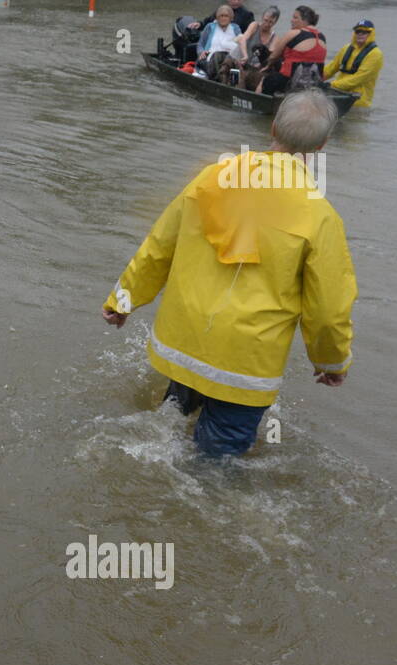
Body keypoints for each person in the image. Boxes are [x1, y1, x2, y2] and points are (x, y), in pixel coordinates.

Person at [100, 89, 357, 457]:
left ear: (272, 127)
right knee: (214, 467)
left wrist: (123, 299)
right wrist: (331, 361)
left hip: (185, 341)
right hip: (245, 363)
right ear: (322, 146)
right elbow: (330, 305)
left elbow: (160, 244)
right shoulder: (319, 215)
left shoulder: (212, 177)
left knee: (166, 435)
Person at [261, 5, 327, 95]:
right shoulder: (322, 37)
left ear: (304, 20)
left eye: (295, 17)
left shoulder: (293, 33)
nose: (291, 20)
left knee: (267, 80)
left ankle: (262, 103)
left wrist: (267, 65)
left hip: (291, 81)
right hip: (315, 83)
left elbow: (273, 56)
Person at [323, 19, 383, 108]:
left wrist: (331, 85)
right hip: (337, 95)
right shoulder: (346, 48)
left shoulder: (375, 54)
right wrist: (315, 78)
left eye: (364, 32)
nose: (360, 34)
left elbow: (358, 78)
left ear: (371, 34)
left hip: (358, 103)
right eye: (358, 31)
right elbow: (331, 68)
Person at [195, 5, 247, 81]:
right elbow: (200, 44)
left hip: (229, 61)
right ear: (217, 17)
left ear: (231, 18)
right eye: (221, 16)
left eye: (226, 16)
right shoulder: (210, 27)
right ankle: (219, 78)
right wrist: (201, 52)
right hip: (210, 60)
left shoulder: (235, 28)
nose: (223, 18)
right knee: (217, 56)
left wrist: (244, 56)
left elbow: (241, 41)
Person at [237, 6, 280, 91]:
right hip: (244, 62)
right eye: (266, 20)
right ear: (262, 17)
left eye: (271, 22)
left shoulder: (275, 38)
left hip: (257, 69)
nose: (267, 24)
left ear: (275, 23)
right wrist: (245, 55)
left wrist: (263, 66)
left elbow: (269, 58)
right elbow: (243, 39)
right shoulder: (254, 26)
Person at [190, 0, 255, 38]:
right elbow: (209, 21)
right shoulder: (221, 10)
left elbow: (251, 33)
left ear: (242, 0)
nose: (236, 1)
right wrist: (199, 24)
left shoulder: (248, 15)